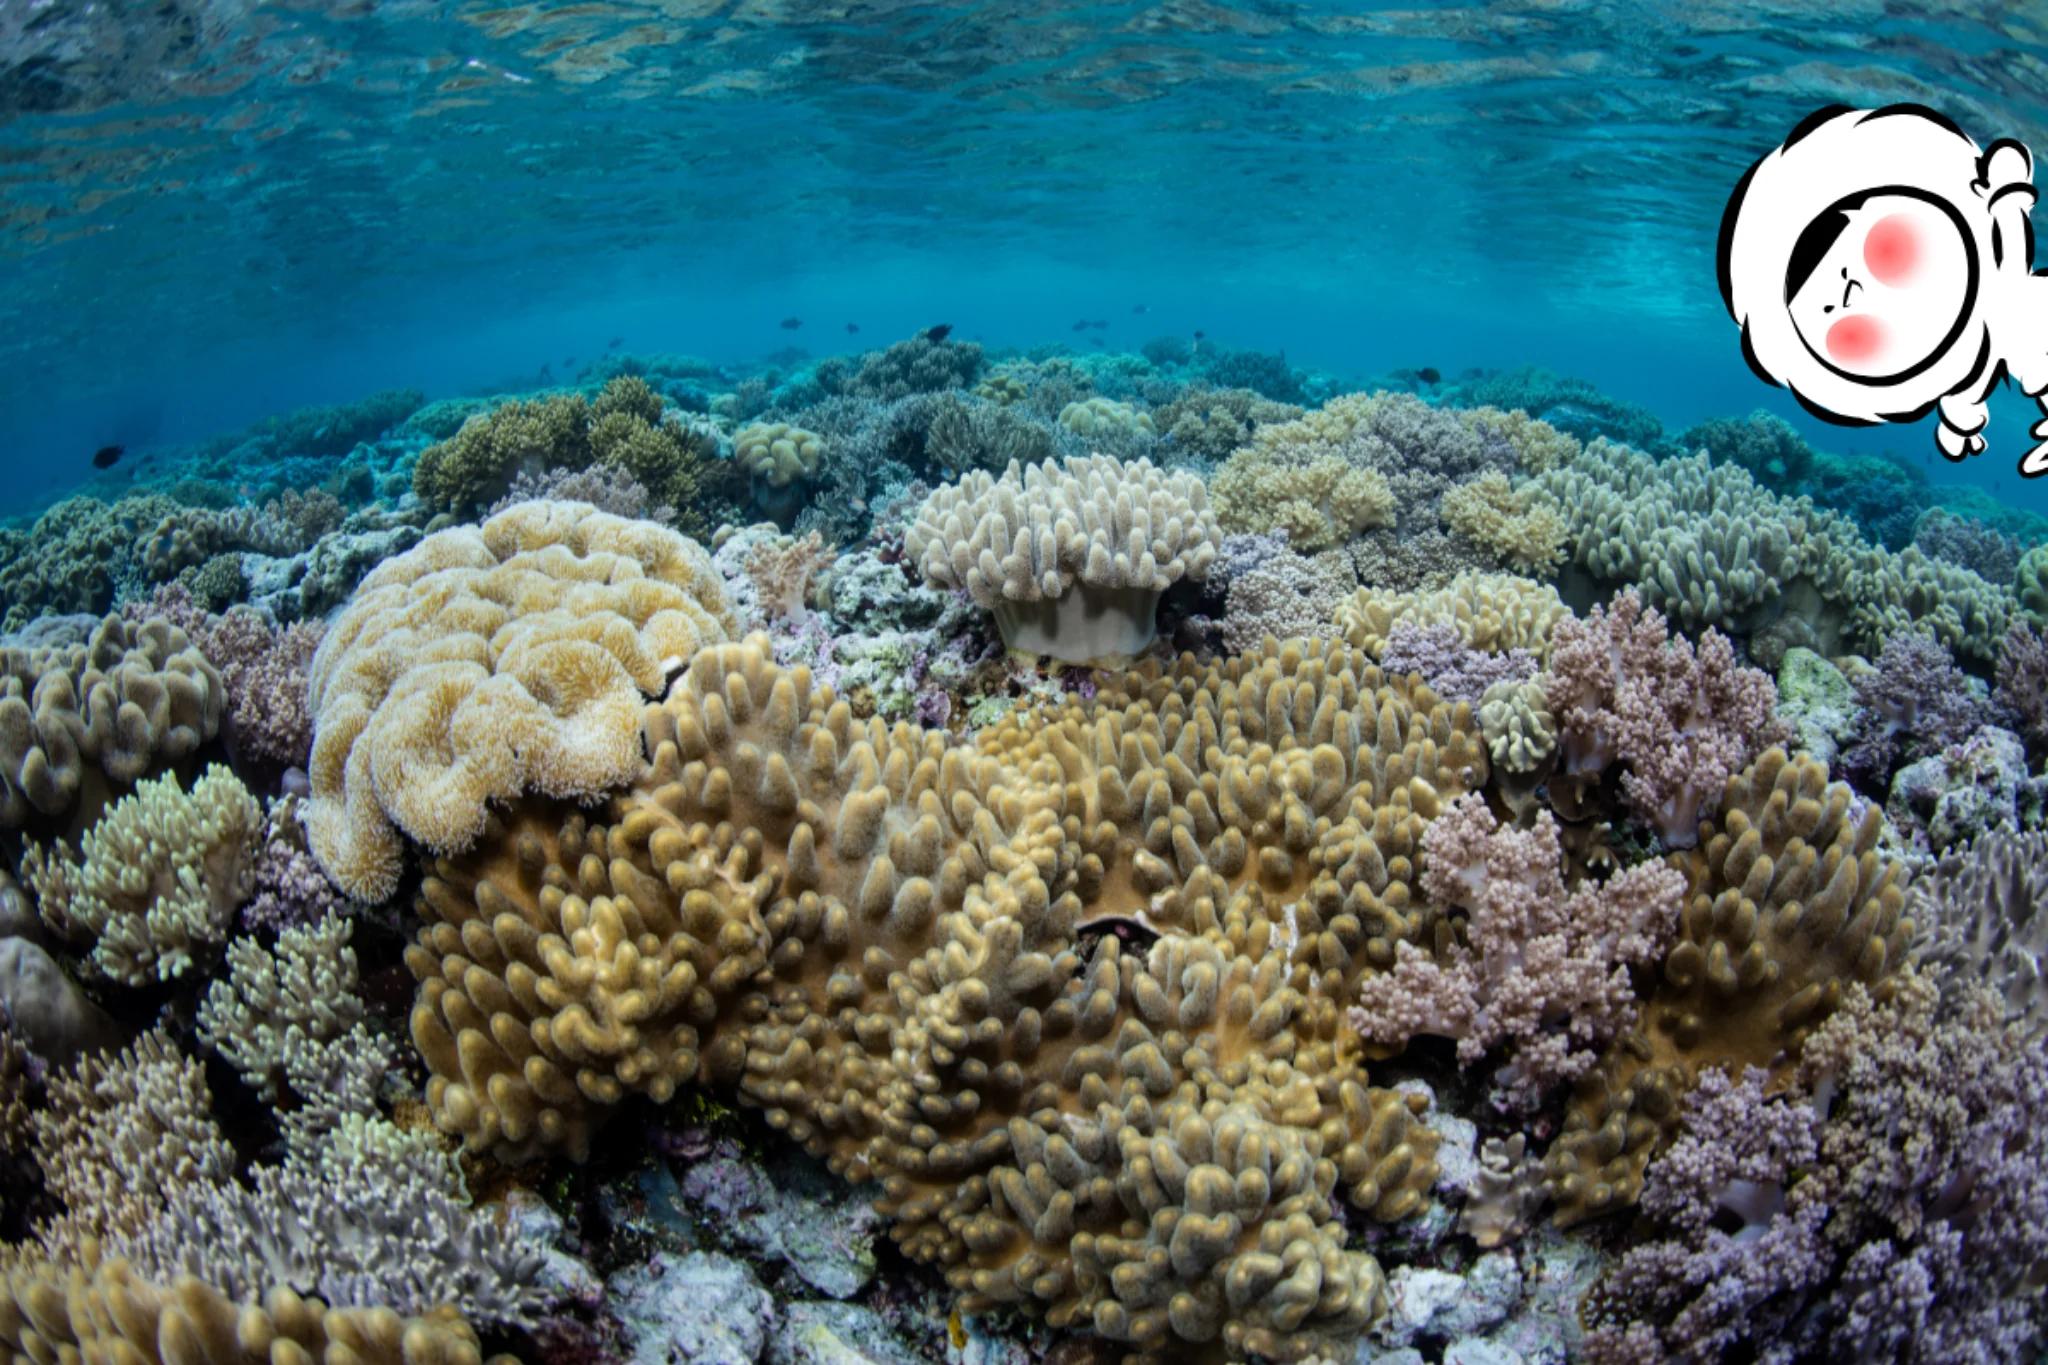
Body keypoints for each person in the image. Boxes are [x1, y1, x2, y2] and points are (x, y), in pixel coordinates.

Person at [1719, 104, 2048, 475]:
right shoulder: (1955, 372)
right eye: (1851, 335)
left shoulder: (2005, 279)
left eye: (1886, 251)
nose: (1852, 294)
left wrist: (2008, 193)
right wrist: (1961, 426)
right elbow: (1965, 392)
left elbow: (2010, 219)